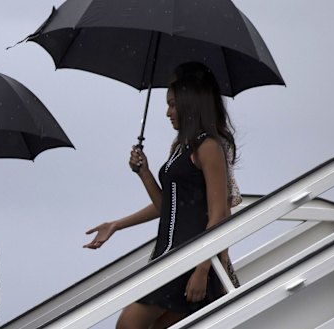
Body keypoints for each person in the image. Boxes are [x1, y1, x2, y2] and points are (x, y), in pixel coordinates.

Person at [84, 62, 239, 328]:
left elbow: (219, 215)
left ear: (189, 103)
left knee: (128, 325)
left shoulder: (209, 146)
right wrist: (143, 173)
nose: (167, 112)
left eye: (172, 104)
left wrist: (202, 269)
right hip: (168, 255)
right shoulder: (181, 147)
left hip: (189, 258)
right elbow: (169, 206)